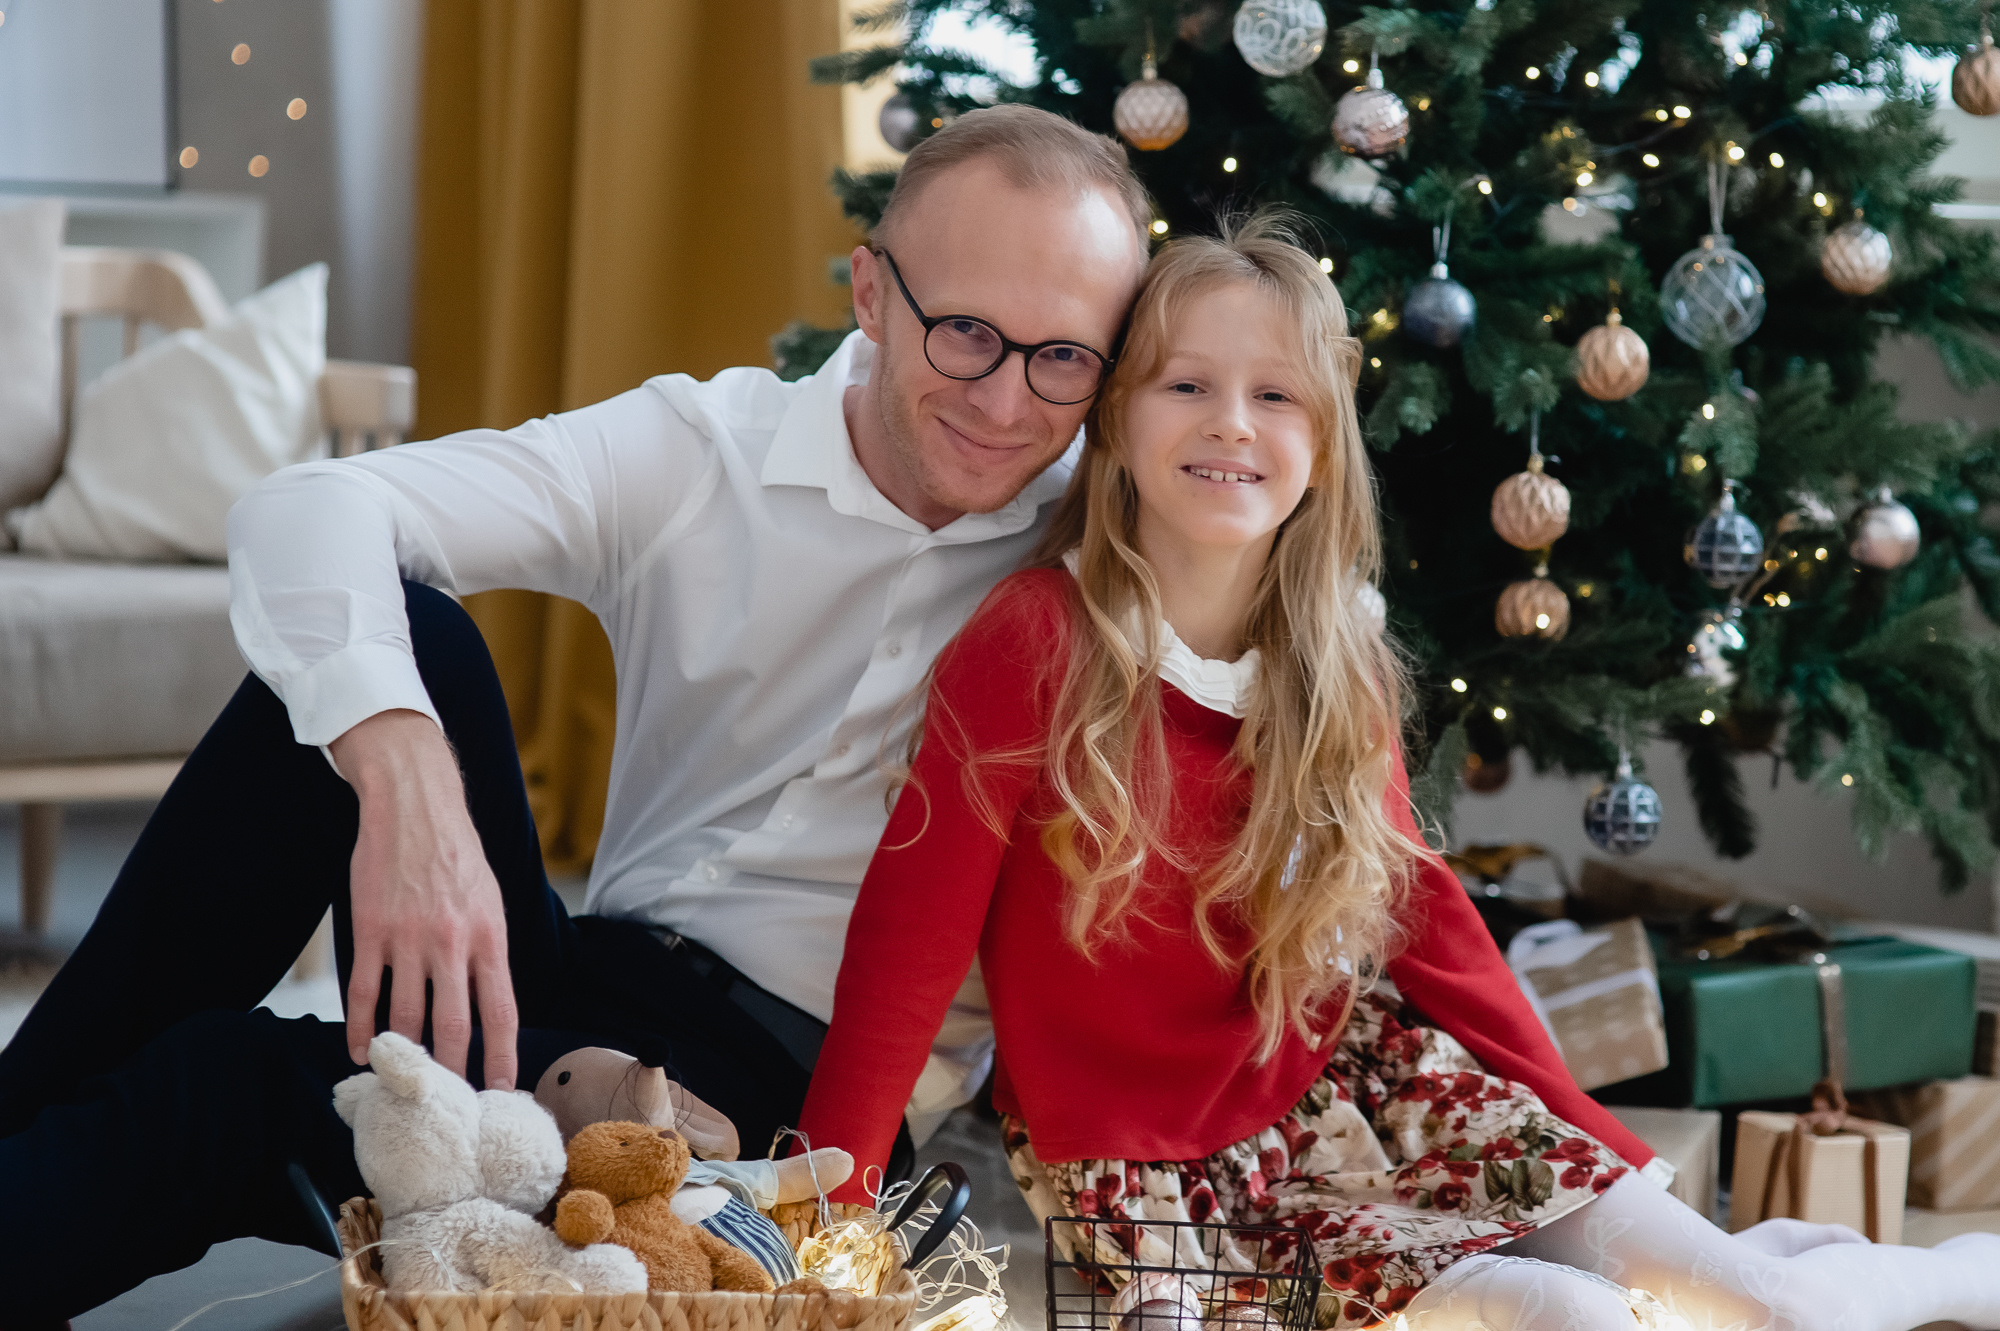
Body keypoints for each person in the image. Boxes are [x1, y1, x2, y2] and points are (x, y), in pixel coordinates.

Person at [0, 105, 1152, 1320]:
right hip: (580, 978)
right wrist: (409, 785)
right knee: (411, 641)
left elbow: (1292, 640)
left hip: (791, 1111)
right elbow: (308, 510)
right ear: (870, 293)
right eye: (965, 332)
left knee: (227, 1089)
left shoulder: (1110, 544)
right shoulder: (702, 450)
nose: (1008, 401)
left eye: (1063, 357)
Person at [791, 214, 2000, 1329]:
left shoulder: (1332, 659)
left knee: (1759, 1306)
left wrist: (1592, 1142)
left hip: (1366, 1078)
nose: (1229, 422)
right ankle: (1735, 1262)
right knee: (1575, 1317)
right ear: (1114, 417)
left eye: (1274, 394)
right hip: (1141, 1176)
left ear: (1319, 444)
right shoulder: (1031, 639)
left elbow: (1428, 929)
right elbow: (906, 953)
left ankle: (1932, 1274)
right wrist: (824, 1224)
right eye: (1186, 384)